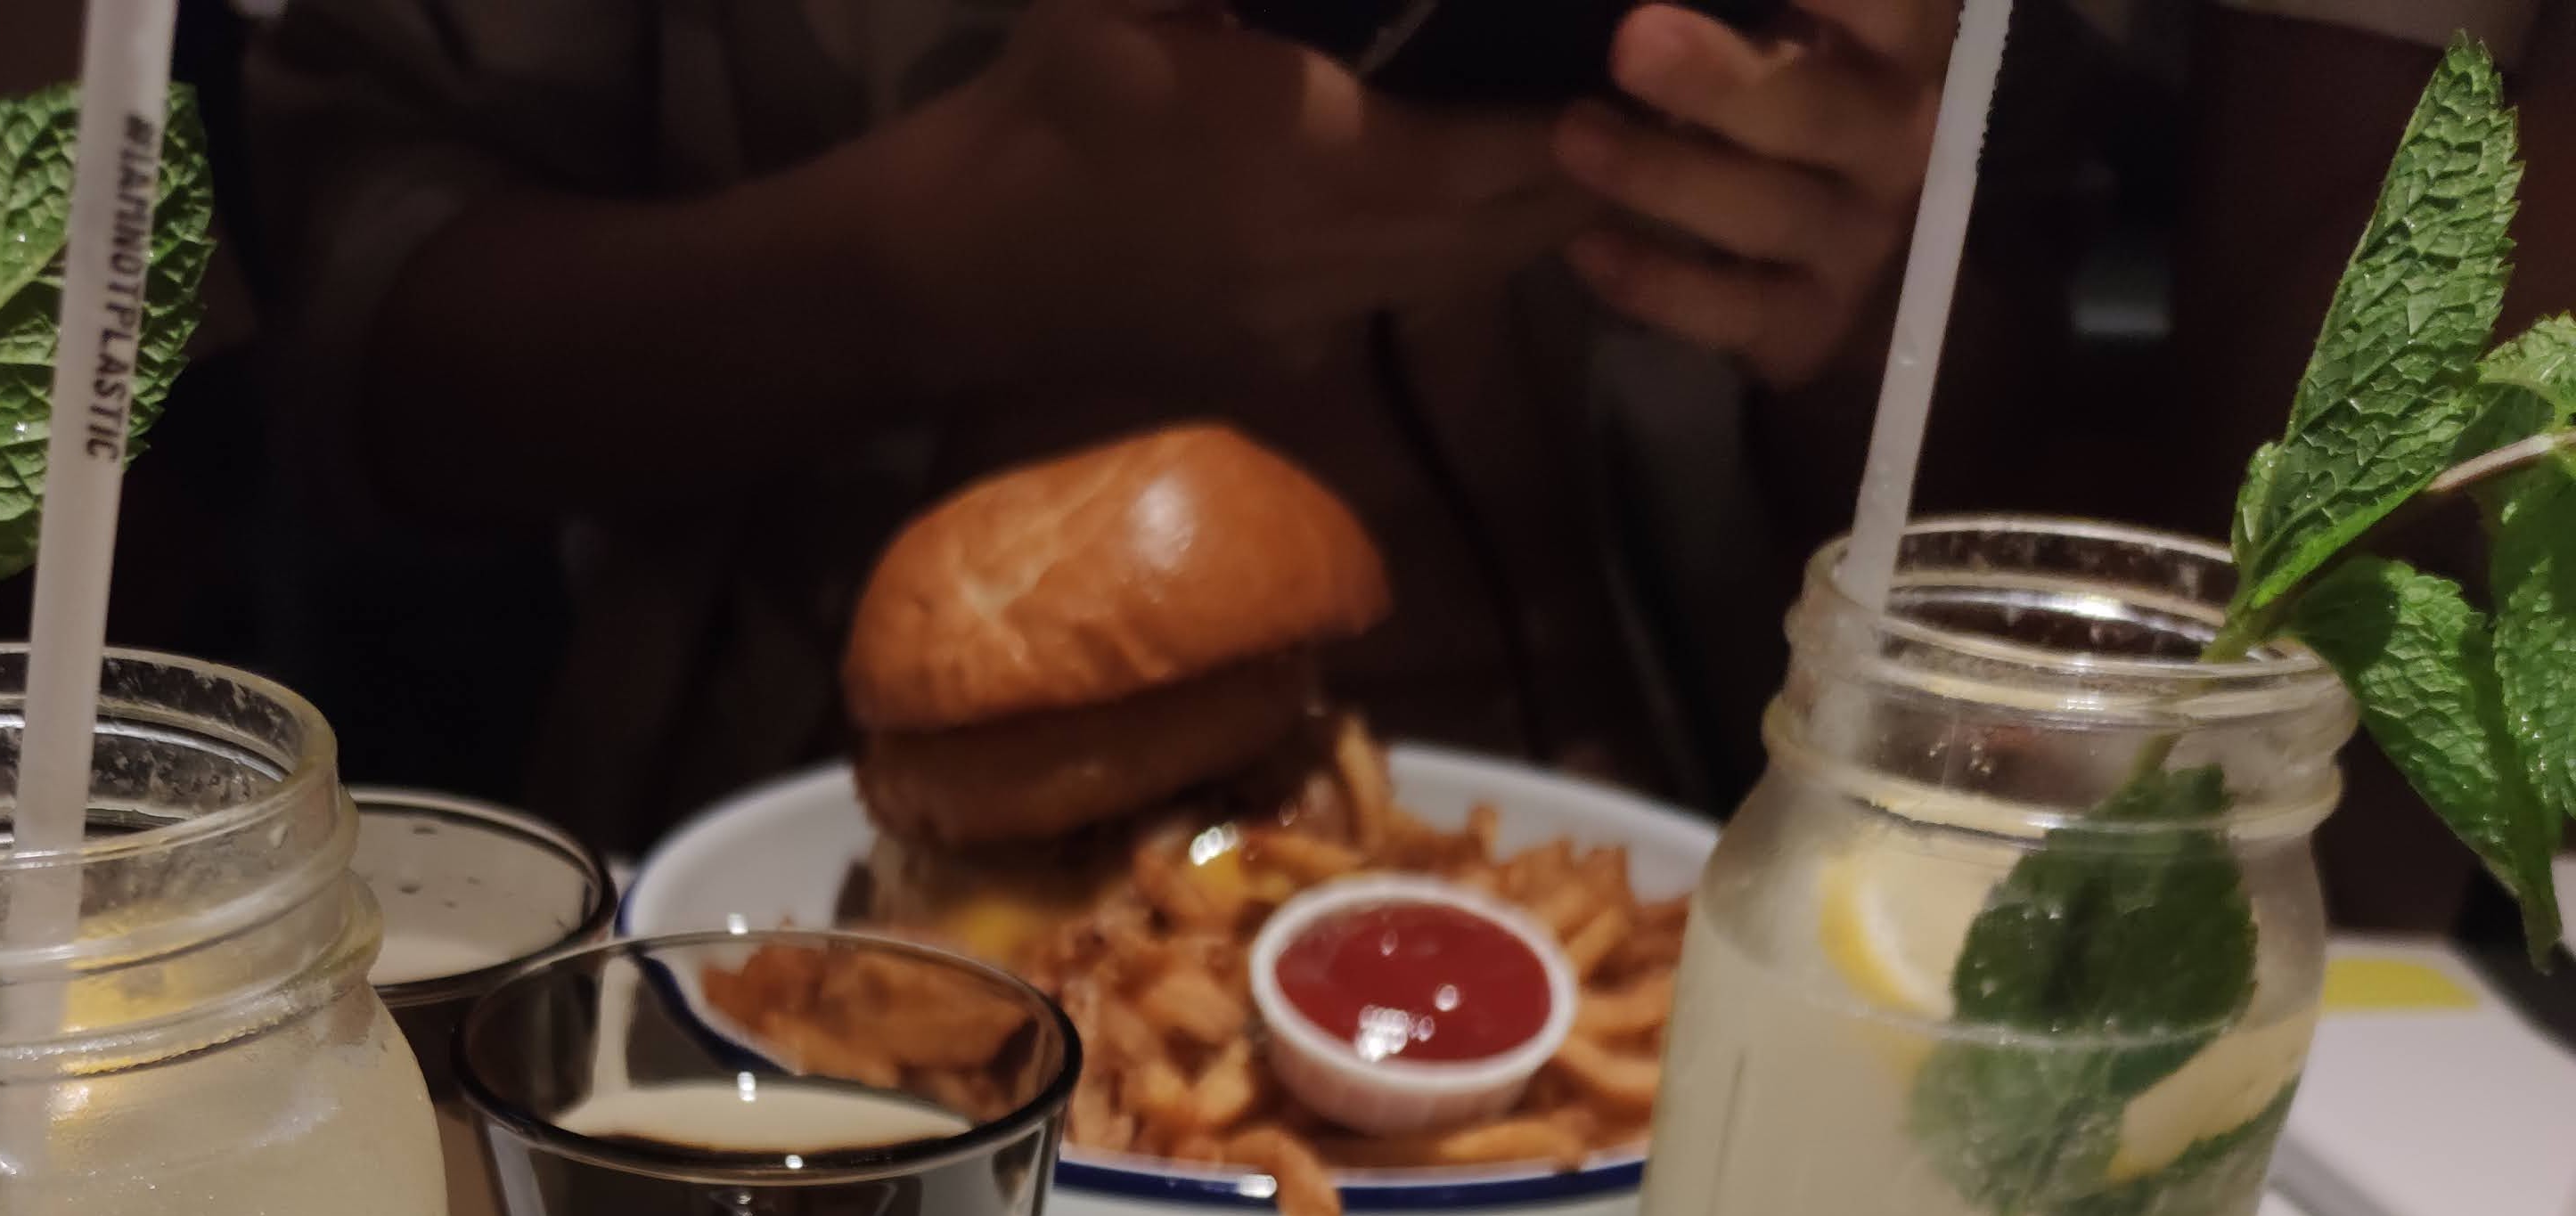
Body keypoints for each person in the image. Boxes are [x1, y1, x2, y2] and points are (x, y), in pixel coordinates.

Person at [246, 0, 1955, 846]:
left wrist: (1873, 253)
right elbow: (328, 350)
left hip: (1696, 888)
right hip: (790, 937)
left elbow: (2025, 494)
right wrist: (933, 260)